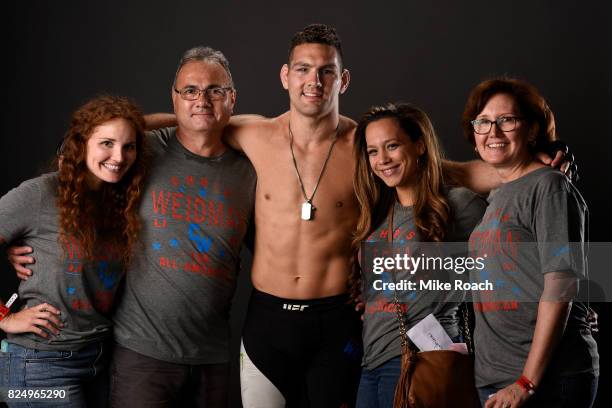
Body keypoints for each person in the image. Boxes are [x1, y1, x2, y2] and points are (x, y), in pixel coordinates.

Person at [106, 47, 256, 407]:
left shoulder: (251, 169)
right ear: (174, 98)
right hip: (141, 355)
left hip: (213, 357)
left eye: (214, 91)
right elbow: (79, 148)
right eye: (190, 91)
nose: (201, 100)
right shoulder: (139, 153)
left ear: (232, 99)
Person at [0, 95, 147, 407]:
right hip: (39, 366)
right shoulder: (40, 194)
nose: (119, 156)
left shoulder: (119, 199)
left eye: (129, 146)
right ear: (81, 144)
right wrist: (4, 318)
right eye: (106, 142)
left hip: (99, 359)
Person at [464, 77, 598, 407]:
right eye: (483, 122)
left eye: (507, 120)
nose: (492, 132)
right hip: (498, 376)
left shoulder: (549, 185)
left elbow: (562, 285)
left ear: (532, 130)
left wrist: (527, 382)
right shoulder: (498, 195)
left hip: (545, 380)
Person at [352, 102, 486, 408]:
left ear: (419, 146)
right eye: (373, 151)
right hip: (372, 361)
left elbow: (517, 261)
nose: (382, 159)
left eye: (392, 146)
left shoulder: (458, 204)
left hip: (422, 358)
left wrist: (576, 301)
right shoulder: (378, 215)